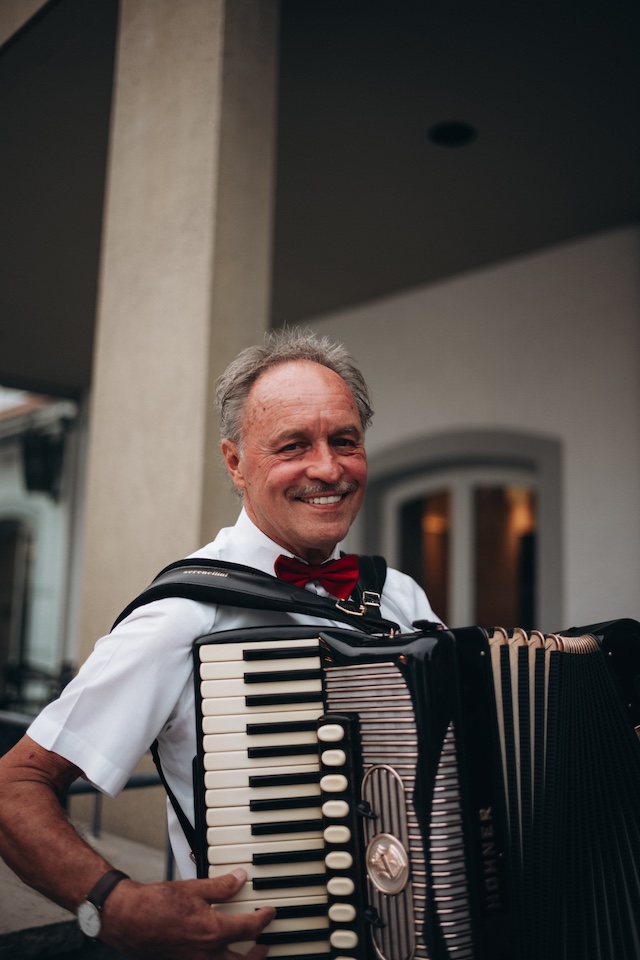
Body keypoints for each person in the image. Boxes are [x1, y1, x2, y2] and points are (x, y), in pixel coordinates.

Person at [0, 329, 441, 960]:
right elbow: (15, 786)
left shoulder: (399, 596)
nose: (328, 467)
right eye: (294, 445)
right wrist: (114, 905)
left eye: (344, 440)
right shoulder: (182, 613)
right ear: (235, 463)